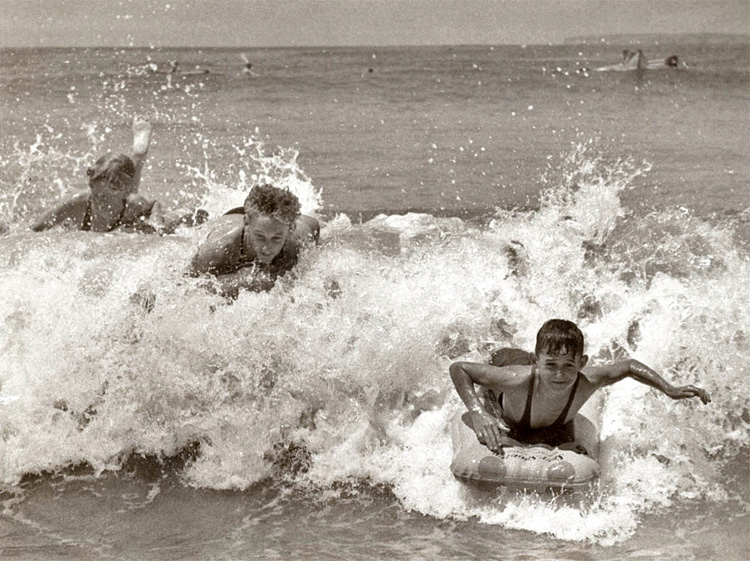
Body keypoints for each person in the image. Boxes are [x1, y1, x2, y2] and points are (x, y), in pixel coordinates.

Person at [449, 318, 711, 455]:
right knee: (494, 358)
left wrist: (669, 388)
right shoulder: (517, 378)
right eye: (551, 365)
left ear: (581, 363)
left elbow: (629, 366)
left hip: (531, 370)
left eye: (569, 366)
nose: (560, 374)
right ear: (536, 362)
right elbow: (460, 368)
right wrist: (477, 411)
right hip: (505, 363)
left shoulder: (587, 381)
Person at [31, 118, 206, 235]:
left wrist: (156, 221)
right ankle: (138, 154)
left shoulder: (131, 202)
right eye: (97, 194)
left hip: (125, 207)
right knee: (119, 181)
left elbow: (153, 204)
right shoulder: (77, 203)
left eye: (106, 196)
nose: (100, 200)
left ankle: (191, 212)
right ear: (92, 185)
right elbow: (35, 229)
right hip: (113, 203)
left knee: (164, 227)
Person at [188, 183, 320, 297]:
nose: (266, 247)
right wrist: (241, 280)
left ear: (291, 229)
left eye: (276, 238)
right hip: (228, 220)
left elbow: (313, 223)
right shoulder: (219, 247)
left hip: (262, 220)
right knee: (193, 220)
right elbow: (188, 286)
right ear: (246, 222)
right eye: (260, 237)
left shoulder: (297, 241)